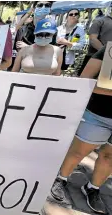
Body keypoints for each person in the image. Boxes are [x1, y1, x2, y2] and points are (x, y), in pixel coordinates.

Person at [50, 46, 111, 214]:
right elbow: (85, 80)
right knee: (78, 152)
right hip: (99, 113)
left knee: (109, 157)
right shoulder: (109, 50)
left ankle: (93, 188)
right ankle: (61, 179)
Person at [77, 9, 112, 76]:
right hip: (94, 57)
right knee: (84, 82)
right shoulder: (100, 21)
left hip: (109, 60)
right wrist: (107, 54)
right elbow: (93, 39)